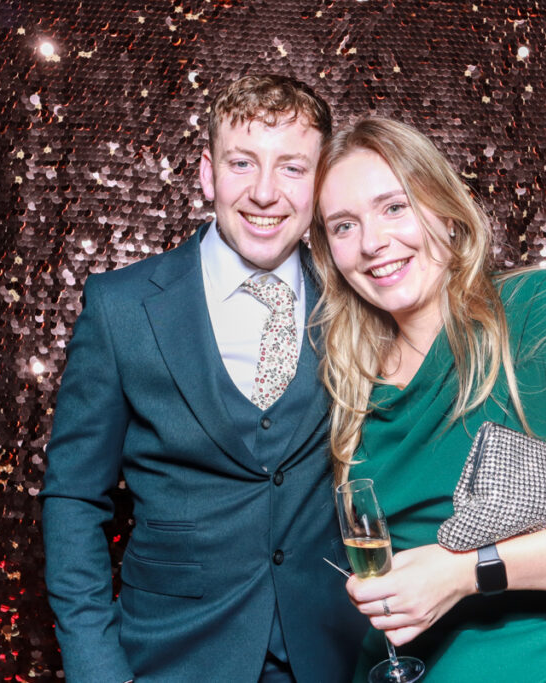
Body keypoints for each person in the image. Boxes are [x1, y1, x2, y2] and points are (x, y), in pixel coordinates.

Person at [308, 117, 546, 681]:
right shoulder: (349, 380)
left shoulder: (539, 311)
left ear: (445, 209)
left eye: (395, 207)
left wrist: (464, 571)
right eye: (344, 226)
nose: (373, 243)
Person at [41, 74, 365, 683]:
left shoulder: (359, 297)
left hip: (334, 656)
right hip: (171, 659)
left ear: (320, 183)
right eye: (242, 163)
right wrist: (96, 670)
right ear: (208, 174)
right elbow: (74, 499)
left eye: (292, 168)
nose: (265, 193)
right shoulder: (122, 307)